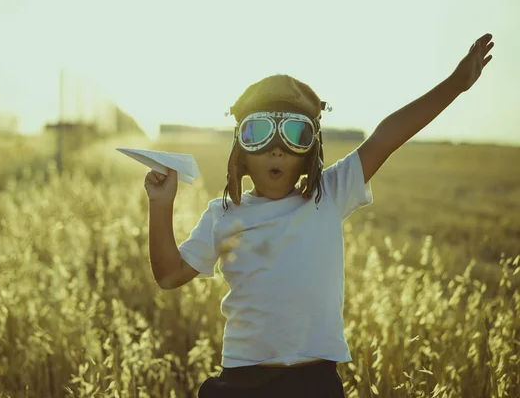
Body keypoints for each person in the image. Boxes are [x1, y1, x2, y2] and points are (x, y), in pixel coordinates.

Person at [145, 34, 494, 398]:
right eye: (259, 133)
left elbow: (387, 136)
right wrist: (161, 203)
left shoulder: (328, 195)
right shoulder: (223, 214)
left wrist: (455, 85)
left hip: (316, 384)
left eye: (296, 134)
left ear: (311, 153)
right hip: (242, 382)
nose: (276, 149)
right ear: (241, 152)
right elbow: (169, 275)